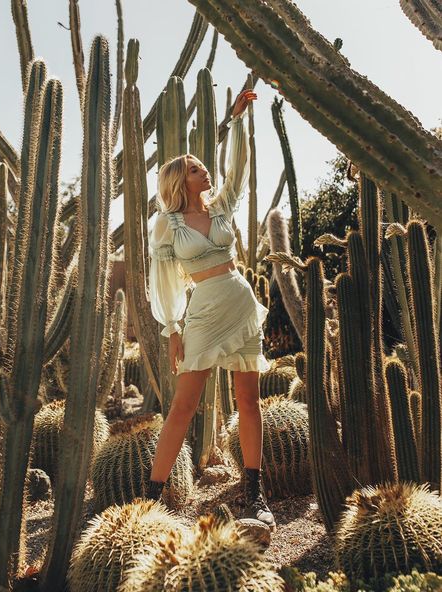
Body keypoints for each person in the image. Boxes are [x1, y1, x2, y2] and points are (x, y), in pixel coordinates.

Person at [145, 89, 275, 530]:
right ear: (180, 182)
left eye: (202, 166)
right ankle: (153, 499)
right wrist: (172, 326)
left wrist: (237, 123)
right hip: (202, 309)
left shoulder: (221, 209)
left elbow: (238, 170)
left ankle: (253, 493)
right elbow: (162, 280)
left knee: (248, 399)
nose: (204, 171)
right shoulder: (168, 224)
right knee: (185, 404)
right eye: (195, 169)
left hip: (240, 300)